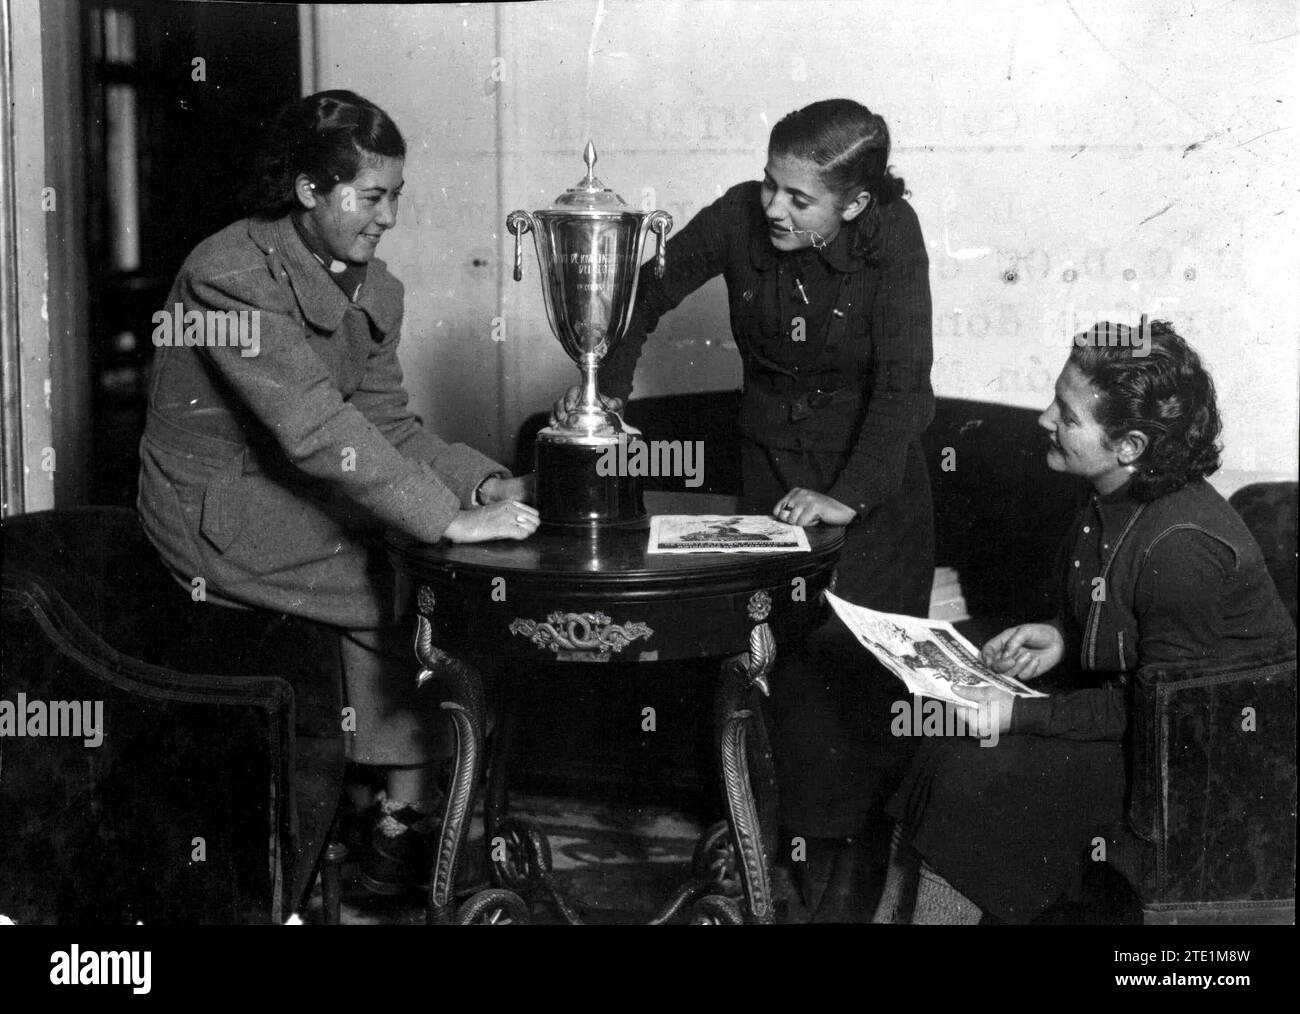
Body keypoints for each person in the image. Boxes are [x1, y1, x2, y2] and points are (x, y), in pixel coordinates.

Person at [137, 90, 539, 895]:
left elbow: (388, 424)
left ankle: (393, 816)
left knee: (422, 572)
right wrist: (446, 521)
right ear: (309, 190)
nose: (388, 216)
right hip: (213, 508)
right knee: (400, 577)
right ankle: (399, 817)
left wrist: (486, 480)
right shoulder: (227, 276)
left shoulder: (371, 287)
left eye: (396, 196)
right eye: (371, 196)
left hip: (296, 481)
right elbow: (317, 427)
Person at [558, 98, 936, 920]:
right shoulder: (737, 215)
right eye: (772, 184)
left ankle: (849, 884)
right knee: (773, 673)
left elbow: (906, 387)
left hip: (871, 495)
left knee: (858, 685)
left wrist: (846, 497)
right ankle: (766, 866)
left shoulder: (893, 235)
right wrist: (606, 395)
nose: (774, 207)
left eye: (801, 199)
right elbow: (642, 292)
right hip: (770, 477)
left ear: (855, 203)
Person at [875, 321, 1296, 924]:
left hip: (1194, 772)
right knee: (947, 747)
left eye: (1067, 416)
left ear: (1128, 446)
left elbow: (1159, 711)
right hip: (1145, 724)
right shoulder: (1112, 493)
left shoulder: (1183, 547)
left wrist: (1016, 712)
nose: (1045, 419)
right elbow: (1121, 618)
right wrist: (1061, 637)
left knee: (975, 776)